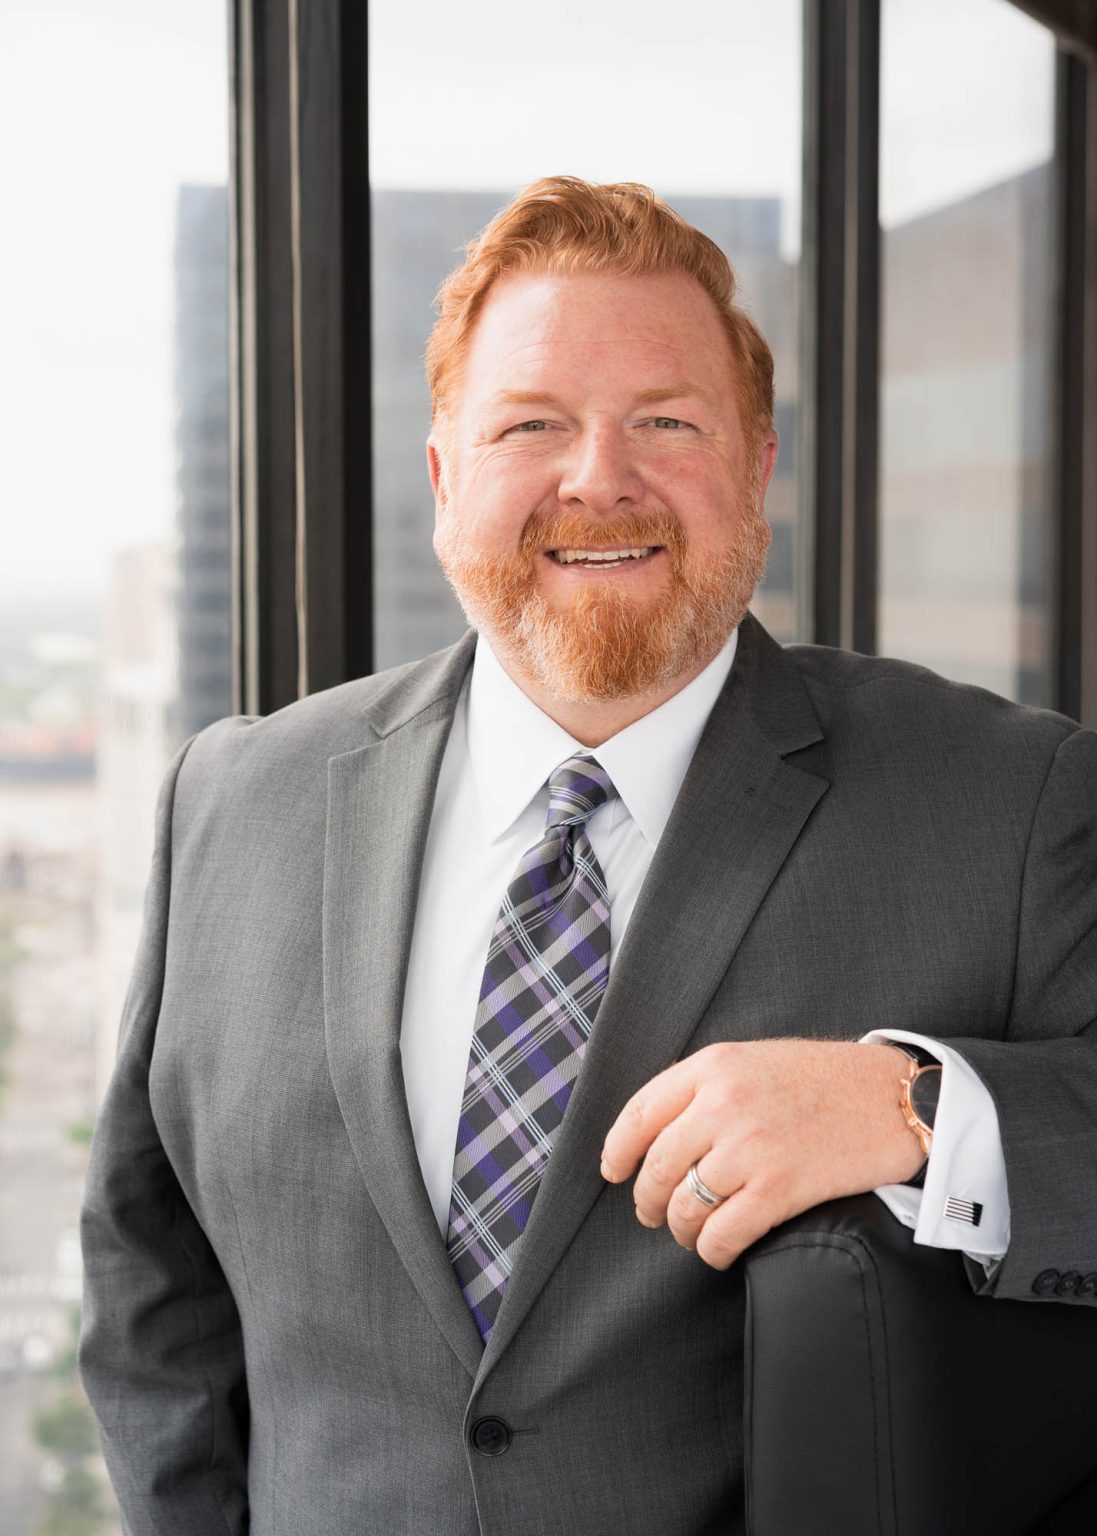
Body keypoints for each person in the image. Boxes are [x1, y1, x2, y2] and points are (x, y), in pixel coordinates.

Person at [80, 176, 1097, 1536]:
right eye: (530, 426)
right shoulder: (233, 797)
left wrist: (917, 1106)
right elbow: (153, 1287)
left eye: (665, 422)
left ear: (755, 465)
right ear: (446, 477)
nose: (598, 478)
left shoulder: (1008, 797)